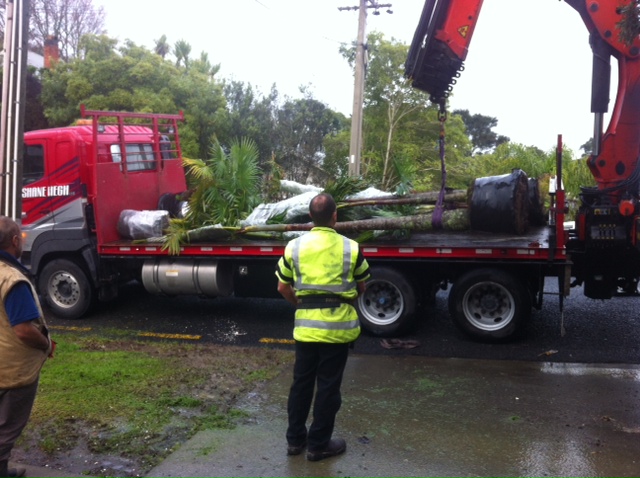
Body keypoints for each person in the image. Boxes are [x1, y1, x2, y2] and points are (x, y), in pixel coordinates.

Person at [275, 193, 370, 462]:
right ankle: (318, 445)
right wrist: (346, 299)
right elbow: (362, 287)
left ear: (310, 217)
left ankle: (295, 441)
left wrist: (300, 304)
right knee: (328, 387)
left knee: (301, 384)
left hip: (305, 329)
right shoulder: (351, 247)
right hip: (338, 329)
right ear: (335, 216)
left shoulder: (293, 247)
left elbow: (282, 286)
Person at [0, 216, 54, 478]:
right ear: (13, 241)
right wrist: (45, 344)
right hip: (14, 370)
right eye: (19, 236)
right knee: (8, 427)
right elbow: (23, 329)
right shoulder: (12, 279)